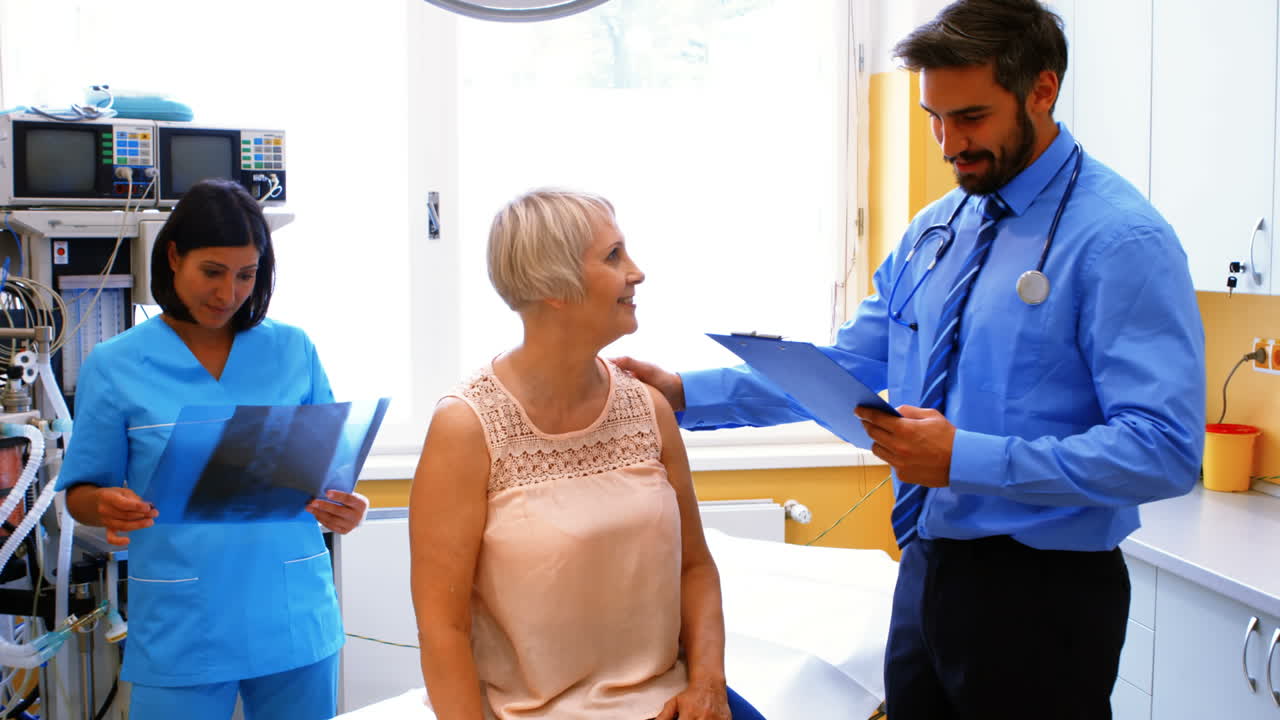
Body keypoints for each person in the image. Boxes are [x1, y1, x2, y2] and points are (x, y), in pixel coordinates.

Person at [616, 1, 1206, 718]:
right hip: (928, 571)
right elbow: (846, 372)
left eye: (972, 117)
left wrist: (966, 458)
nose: (948, 142)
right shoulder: (938, 229)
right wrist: (683, 393)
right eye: (935, 116)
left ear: (1042, 91)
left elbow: (1166, 451)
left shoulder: (1121, 241)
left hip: (1046, 593)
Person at [409, 189, 766, 720]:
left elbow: (695, 566)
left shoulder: (649, 408)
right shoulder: (466, 427)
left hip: (670, 702)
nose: (637, 272)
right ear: (553, 286)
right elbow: (443, 626)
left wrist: (708, 683)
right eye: (613, 256)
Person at [58, 179, 368, 720]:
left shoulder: (293, 349)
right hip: (183, 620)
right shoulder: (115, 365)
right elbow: (81, 493)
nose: (229, 294)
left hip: (291, 614)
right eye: (213, 273)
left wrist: (346, 506)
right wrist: (104, 504)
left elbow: (330, 474)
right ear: (174, 258)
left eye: (247, 275)